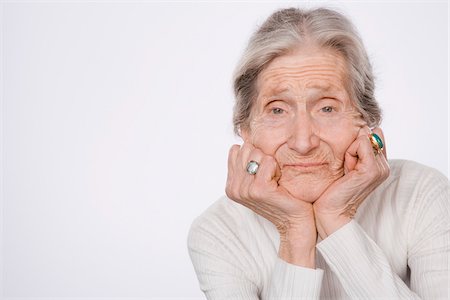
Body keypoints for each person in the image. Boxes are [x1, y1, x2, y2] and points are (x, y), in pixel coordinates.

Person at [188, 7, 449, 299]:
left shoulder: (422, 194)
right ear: (245, 129)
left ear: (366, 118)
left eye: (327, 108)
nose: (303, 142)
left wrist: (337, 219)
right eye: (277, 109)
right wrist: (294, 231)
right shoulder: (217, 233)